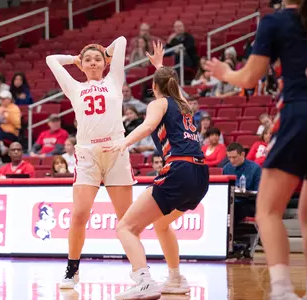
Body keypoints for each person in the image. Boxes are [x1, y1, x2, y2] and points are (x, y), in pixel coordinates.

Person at [205, 1, 307, 299]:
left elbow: (250, 78)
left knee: (267, 209)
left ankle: (282, 291)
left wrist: (225, 72)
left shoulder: (276, 22)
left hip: (299, 115)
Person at [105, 41, 209, 299]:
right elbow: (174, 87)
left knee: (126, 227)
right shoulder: (185, 105)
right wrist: (160, 67)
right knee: (162, 224)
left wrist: (124, 141)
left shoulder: (158, 103)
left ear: (153, 87)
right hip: (201, 174)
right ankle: (176, 279)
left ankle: (143, 281)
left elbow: (149, 126)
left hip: (180, 168)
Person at [46, 36, 136, 288]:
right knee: (79, 215)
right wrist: (73, 59)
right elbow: (51, 59)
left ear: (105, 63)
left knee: (126, 219)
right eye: (88, 60)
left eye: (97, 59)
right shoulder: (74, 86)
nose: (93, 62)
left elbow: (121, 40)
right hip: (87, 156)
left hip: (116, 152)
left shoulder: (115, 80)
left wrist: (104, 52)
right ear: (82, 65)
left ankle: (139, 271)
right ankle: (72, 270)